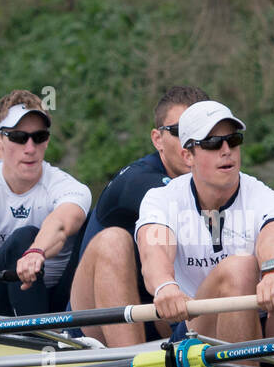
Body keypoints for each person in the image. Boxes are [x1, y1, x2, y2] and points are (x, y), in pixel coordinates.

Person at [136, 100, 274, 344]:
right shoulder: (161, 199)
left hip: (265, 317)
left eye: (233, 140)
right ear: (187, 155)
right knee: (240, 267)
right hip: (195, 327)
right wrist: (165, 286)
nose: (226, 150)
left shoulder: (264, 197)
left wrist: (272, 269)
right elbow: (154, 251)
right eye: (213, 143)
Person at [68, 85, 209, 346]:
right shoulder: (139, 181)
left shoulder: (228, 186)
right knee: (114, 240)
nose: (192, 143)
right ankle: (130, 361)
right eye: (180, 132)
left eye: (203, 133)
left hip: (161, 313)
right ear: (157, 139)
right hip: (94, 321)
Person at [0, 90, 91, 316]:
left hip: (59, 302)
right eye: (19, 138)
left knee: (91, 224)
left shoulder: (69, 187)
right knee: (22, 239)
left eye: (39, 137)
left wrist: (36, 251)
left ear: (47, 140)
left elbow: (61, 224)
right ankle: (37, 338)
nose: (30, 148)